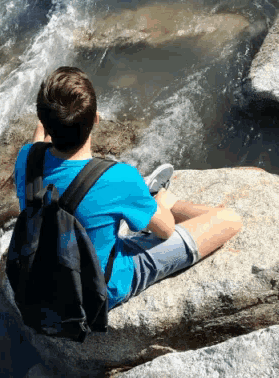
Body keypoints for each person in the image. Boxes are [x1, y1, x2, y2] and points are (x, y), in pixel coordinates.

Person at [14, 66, 243, 311]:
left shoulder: (26, 157)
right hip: (97, 292)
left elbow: (40, 142)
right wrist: (164, 205)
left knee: (106, 207)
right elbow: (165, 231)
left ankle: (133, 206)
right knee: (229, 219)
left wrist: (48, 121)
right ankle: (153, 197)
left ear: (45, 123)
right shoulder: (118, 178)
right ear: (96, 119)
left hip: (43, 281)